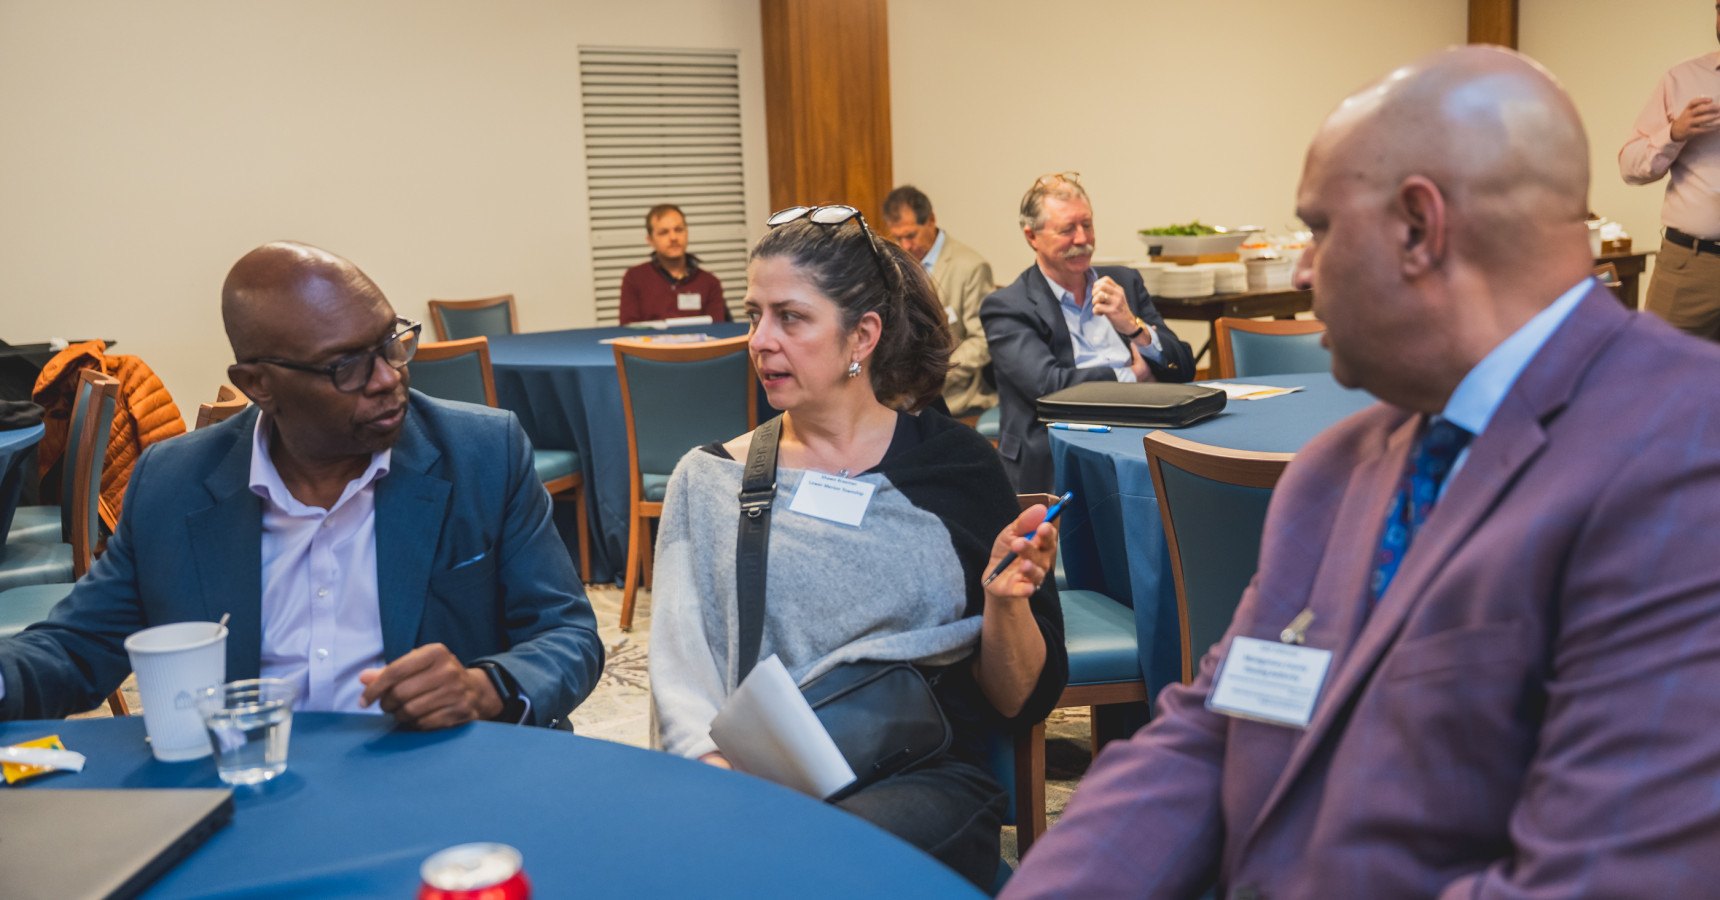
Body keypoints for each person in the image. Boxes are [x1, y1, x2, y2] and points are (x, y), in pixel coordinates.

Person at [1004, 46, 1720, 899]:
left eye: (1320, 231)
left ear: (1419, 229)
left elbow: (1602, 875)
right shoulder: (1334, 469)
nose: (1303, 272)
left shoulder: (1686, 455)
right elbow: (1212, 734)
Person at [0, 242, 604, 729]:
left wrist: (485, 687)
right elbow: (76, 647)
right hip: (254, 785)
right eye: (347, 365)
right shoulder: (175, 483)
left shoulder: (481, 454)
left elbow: (567, 634)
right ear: (257, 383)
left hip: (436, 774)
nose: (388, 378)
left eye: (392, 342)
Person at [648, 205, 1068, 888]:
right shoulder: (713, 481)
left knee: (805, 860)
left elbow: (1018, 699)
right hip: (759, 779)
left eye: (790, 317)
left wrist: (1005, 607)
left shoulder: (956, 469)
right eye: (754, 315)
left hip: (922, 776)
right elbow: (680, 673)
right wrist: (721, 789)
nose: (760, 340)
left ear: (862, 336)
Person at [980, 173, 1194, 492]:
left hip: (1142, 440)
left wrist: (1133, 328)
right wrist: (1133, 377)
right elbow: (1050, 387)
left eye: (1087, 225)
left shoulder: (1125, 283)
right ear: (1032, 236)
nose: (1082, 239)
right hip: (1059, 456)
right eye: (1067, 229)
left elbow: (1183, 366)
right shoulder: (1008, 306)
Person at [1620, 4, 1720, 338]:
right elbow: (1629, 166)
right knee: (1655, 380)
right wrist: (1674, 133)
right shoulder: (1683, 79)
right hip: (1689, 269)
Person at [882, 185, 998, 417]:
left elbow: (983, 341)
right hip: (896, 394)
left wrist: (931, 374)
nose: (905, 246)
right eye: (897, 237)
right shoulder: (892, 265)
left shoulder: (971, 267)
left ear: (931, 220)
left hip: (953, 395)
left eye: (911, 235)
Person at [617, 204, 729, 324]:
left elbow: (718, 331)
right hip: (651, 342)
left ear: (687, 233)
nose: (673, 237)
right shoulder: (634, 278)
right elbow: (628, 329)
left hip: (698, 343)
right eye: (664, 232)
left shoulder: (710, 282)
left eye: (678, 230)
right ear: (650, 240)